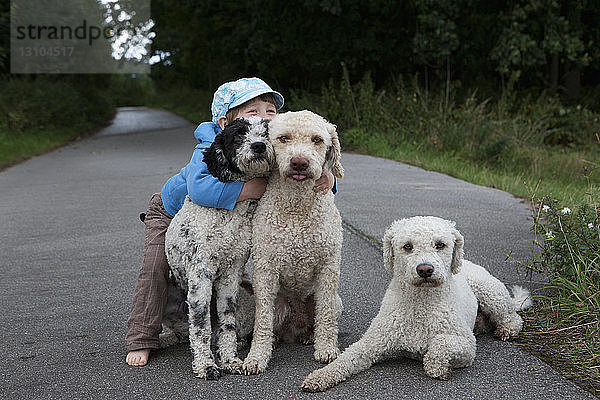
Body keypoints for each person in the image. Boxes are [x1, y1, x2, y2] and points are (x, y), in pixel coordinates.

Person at [126, 77, 335, 366]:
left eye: (270, 110)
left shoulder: (267, 143)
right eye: (253, 110)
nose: (263, 116)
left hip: (228, 223)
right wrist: (249, 190)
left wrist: (327, 176)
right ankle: (142, 337)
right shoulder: (208, 146)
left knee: (233, 273)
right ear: (226, 122)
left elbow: (297, 169)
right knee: (156, 271)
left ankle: (232, 326)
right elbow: (199, 189)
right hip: (170, 212)